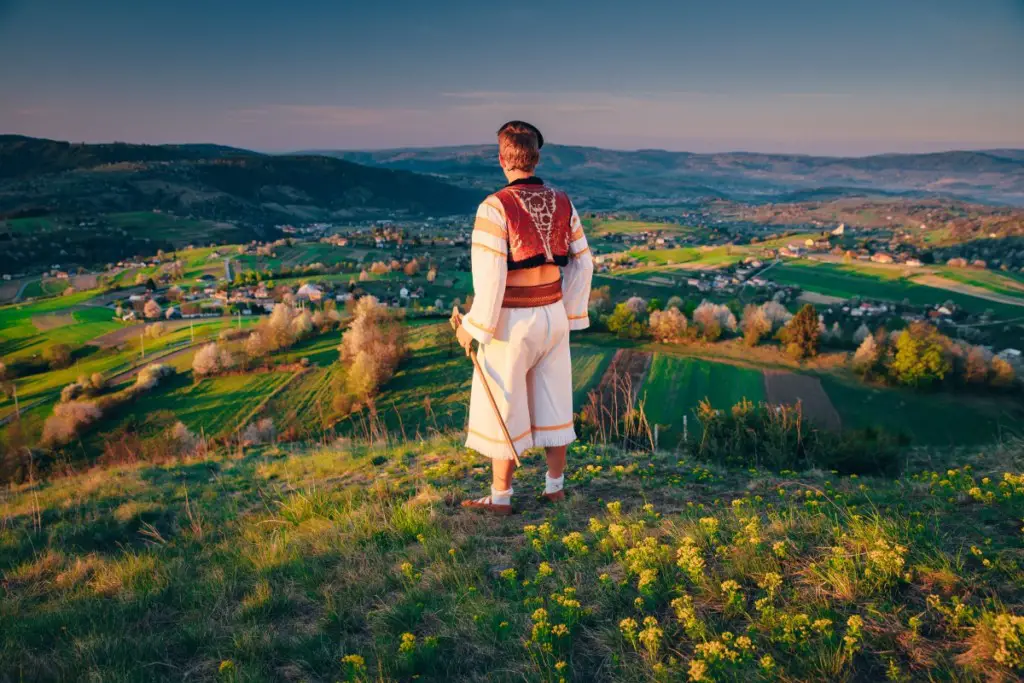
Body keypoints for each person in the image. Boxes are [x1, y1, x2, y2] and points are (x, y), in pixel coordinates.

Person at [453, 120, 594, 514]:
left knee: (505, 398)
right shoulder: (564, 201)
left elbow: (491, 277)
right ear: (536, 157)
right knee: (555, 399)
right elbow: (584, 264)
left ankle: (500, 497)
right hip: (552, 315)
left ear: (501, 159)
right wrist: (567, 312)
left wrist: (472, 327)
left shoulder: (494, 207)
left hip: (513, 322)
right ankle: (554, 487)